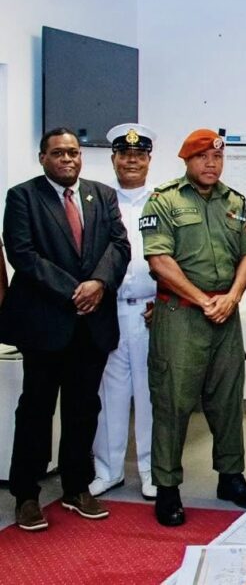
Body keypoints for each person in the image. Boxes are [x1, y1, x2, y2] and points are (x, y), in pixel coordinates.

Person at [1, 128, 130, 531]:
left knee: (83, 409)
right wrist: (75, 291)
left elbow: (119, 246)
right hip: (45, 325)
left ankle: (76, 487)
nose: (68, 159)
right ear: (43, 158)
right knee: (36, 411)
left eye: (73, 152)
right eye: (58, 153)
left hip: (92, 326)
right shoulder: (23, 197)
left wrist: (99, 283)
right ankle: (26, 495)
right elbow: (22, 253)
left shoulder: (101, 195)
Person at [140, 129, 246, 526]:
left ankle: (231, 477)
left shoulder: (235, 202)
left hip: (225, 315)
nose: (211, 164)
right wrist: (202, 299)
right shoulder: (164, 200)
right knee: (173, 402)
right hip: (181, 316)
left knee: (227, 399)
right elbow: (160, 261)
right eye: (203, 157)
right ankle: (167, 487)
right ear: (187, 161)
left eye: (217, 158)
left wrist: (232, 297)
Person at [89, 124, 159, 500]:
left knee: (150, 394)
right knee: (110, 394)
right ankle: (108, 469)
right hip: (110, 308)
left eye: (139, 155)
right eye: (125, 155)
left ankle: (150, 469)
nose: (132, 161)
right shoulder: (98, 201)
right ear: (113, 158)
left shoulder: (163, 201)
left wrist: (165, 300)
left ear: (149, 159)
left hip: (151, 309)